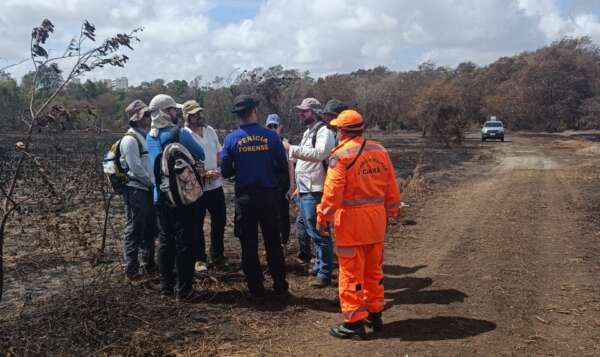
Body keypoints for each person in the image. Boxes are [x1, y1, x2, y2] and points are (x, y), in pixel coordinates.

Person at [316, 110, 401, 340]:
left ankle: (354, 324)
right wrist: (393, 210)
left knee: (351, 273)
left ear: (341, 131)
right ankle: (375, 315)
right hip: (376, 221)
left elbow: (332, 192)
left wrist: (322, 216)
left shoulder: (340, 155)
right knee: (374, 271)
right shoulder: (379, 150)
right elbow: (391, 183)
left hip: (351, 224)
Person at [221, 95, 289, 301]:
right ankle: (279, 284)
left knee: (248, 244)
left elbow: (225, 171)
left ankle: (255, 287)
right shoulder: (271, 136)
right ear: (254, 111)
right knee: (273, 242)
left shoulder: (231, 139)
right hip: (268, 196)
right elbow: (282, 166)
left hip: (245, 198)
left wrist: (241, 169)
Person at [146, 94, 206, 302]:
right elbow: (200, 153)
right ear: (164, 112)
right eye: (172, 110)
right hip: (181, 198)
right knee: (184, 242)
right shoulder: (178, 133)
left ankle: (166, 288)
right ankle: (185, 289)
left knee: (165, 242)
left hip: (159, 197)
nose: (175, 114)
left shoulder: (149, 136)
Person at [283, 98, 336, 288]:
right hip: (305, 188)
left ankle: (325, 272)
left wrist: (291, 148)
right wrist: (297, 184)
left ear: (314, 111)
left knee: (319, 232)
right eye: (301, 111)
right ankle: (321, 265)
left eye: (304, 111)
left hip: (316, 189)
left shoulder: (324, 132)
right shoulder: (309, 132)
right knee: (311, 229)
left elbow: (319, 154)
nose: (301, 114)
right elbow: (306, 161)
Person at [181, 100, 227, 272]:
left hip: (215, 185)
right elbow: (184, 162)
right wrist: (202, 174)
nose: (199, 115)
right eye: (194, 114)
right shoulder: (183, 135)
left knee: (220, 221)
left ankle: (217, 255)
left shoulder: (210, 130)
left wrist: (221, 168)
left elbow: (218, 153)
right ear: (187, 117)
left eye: (199, 112)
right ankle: (199, 259)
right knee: (196, 224)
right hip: (197, 187)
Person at [120, 99, 157, 281]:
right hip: (136, 189)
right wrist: (151, 183)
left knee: (150, 227)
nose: (149, 119)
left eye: (149, 115)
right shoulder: (130, 140)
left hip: (147, 188)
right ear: (137, 118)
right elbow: (135, 168)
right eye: (146, 115)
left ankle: (149, 264)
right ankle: (131, 268)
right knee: (134, 228)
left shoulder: (145, 136)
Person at [265, 113, 293, 254]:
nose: (272, 128)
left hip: (283, 184)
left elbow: (290, 165)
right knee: (270, 215)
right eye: (270, 126)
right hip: (269, 185)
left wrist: (292, 186)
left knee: (283, 214)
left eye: (275, 126)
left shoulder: (285, 143)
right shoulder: (263, 142)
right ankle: (273, 243)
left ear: (280, 127)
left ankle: (284, 242)